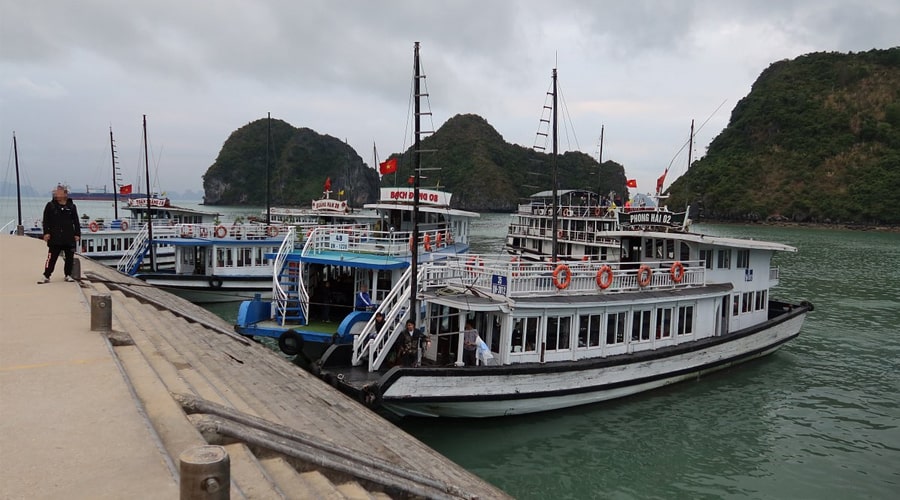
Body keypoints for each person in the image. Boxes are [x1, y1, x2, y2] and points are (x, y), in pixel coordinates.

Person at [40, 185, 81, 283]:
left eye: (59, 193)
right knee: (51, 257)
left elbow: (76, 221)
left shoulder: (71, 206)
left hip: (68, 236)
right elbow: (46, 220)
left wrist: (77, 234)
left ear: (65, 194)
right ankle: (46, 275)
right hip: (55, 237)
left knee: (69, 258)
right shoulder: (50, 205)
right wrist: (46, 233)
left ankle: (68, 274)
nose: (56, 194)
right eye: (55, 193)